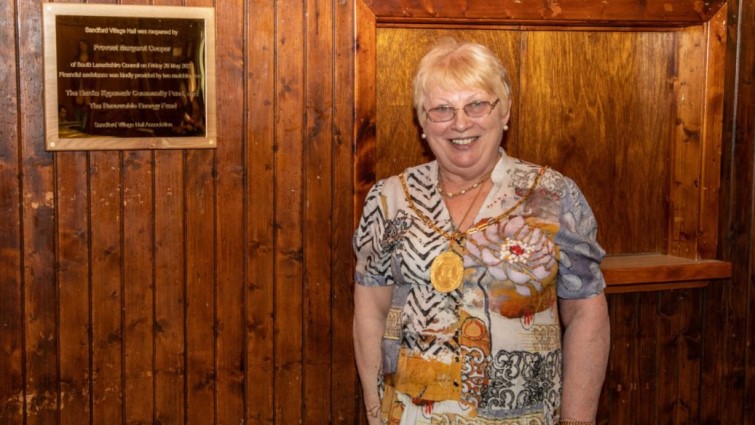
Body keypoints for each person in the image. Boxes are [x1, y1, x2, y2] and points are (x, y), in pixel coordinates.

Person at [353, 37, 610, 425]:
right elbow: (370, 310)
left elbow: (587, 315)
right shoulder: (389, 199)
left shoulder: (550, 195)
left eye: (476, 105)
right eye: (442, 109)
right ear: (422, 122)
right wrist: (376, 414)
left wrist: (577, 421)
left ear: (503, 112)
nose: (460, 123)